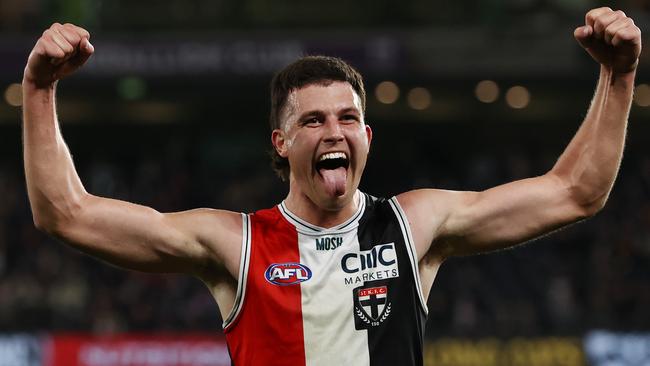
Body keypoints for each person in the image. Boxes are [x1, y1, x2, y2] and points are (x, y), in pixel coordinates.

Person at [21, 7, 640, 366]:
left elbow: (575, 191)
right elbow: (67, 214)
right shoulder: (234, 244)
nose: (332, 131)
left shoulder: (415, 225)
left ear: (368, 135)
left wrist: (619, 75)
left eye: (347, 118)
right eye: (312, 121)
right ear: (281, 142)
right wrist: (40, 91)